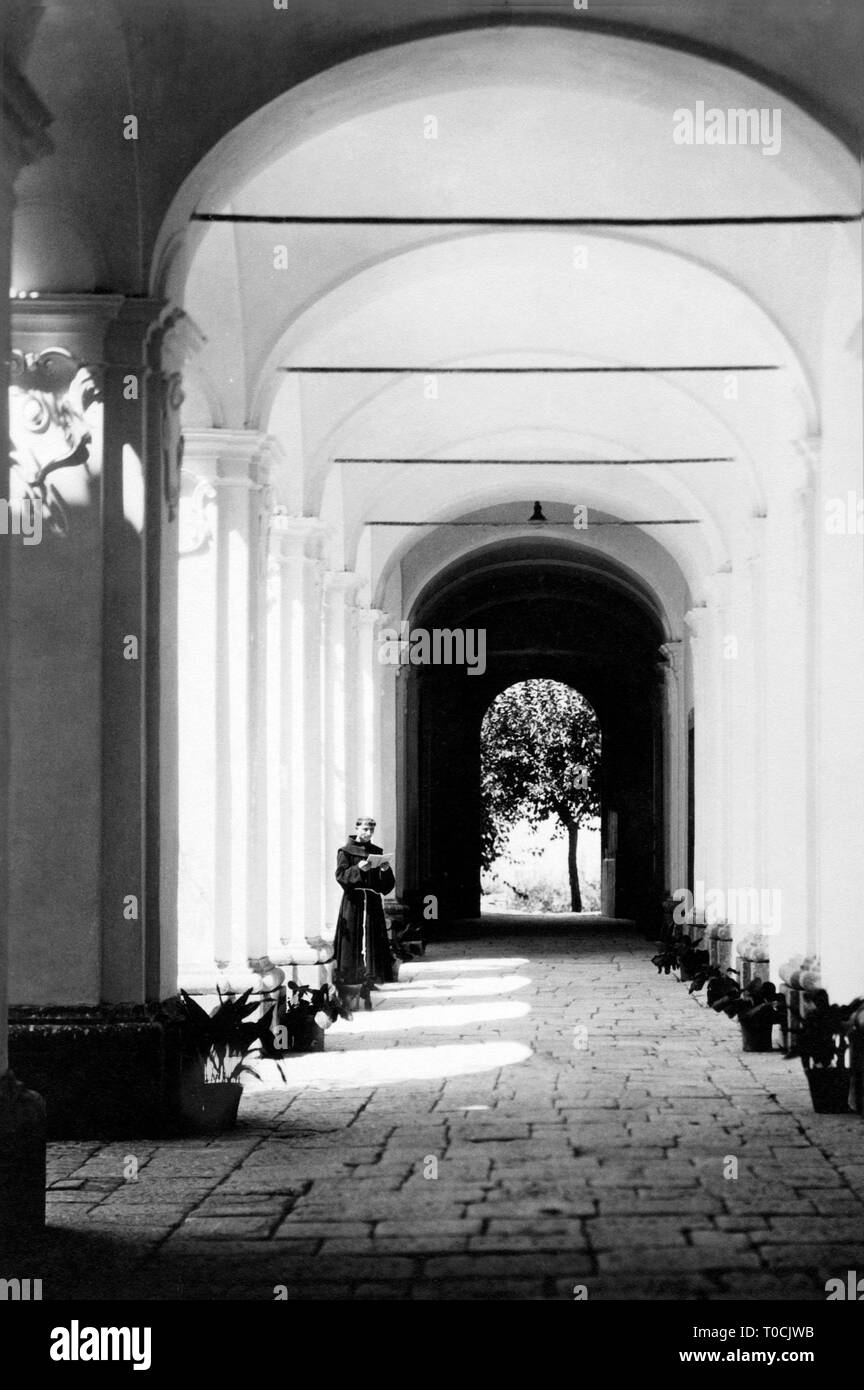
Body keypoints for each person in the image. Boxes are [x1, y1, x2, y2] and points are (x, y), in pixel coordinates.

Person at [333, 816, 396, 1006]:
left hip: (372, 901)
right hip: (354, 902)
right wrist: (358, 869)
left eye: (371, 830)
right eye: (365, 829)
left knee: (373, 940)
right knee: (352, 939)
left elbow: (386, 886)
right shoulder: (345, 851)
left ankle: (371, 978)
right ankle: (351, 979)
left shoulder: (376, 852)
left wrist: (385, 870)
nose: (368, 833)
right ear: (356, 829)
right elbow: (341, 876)